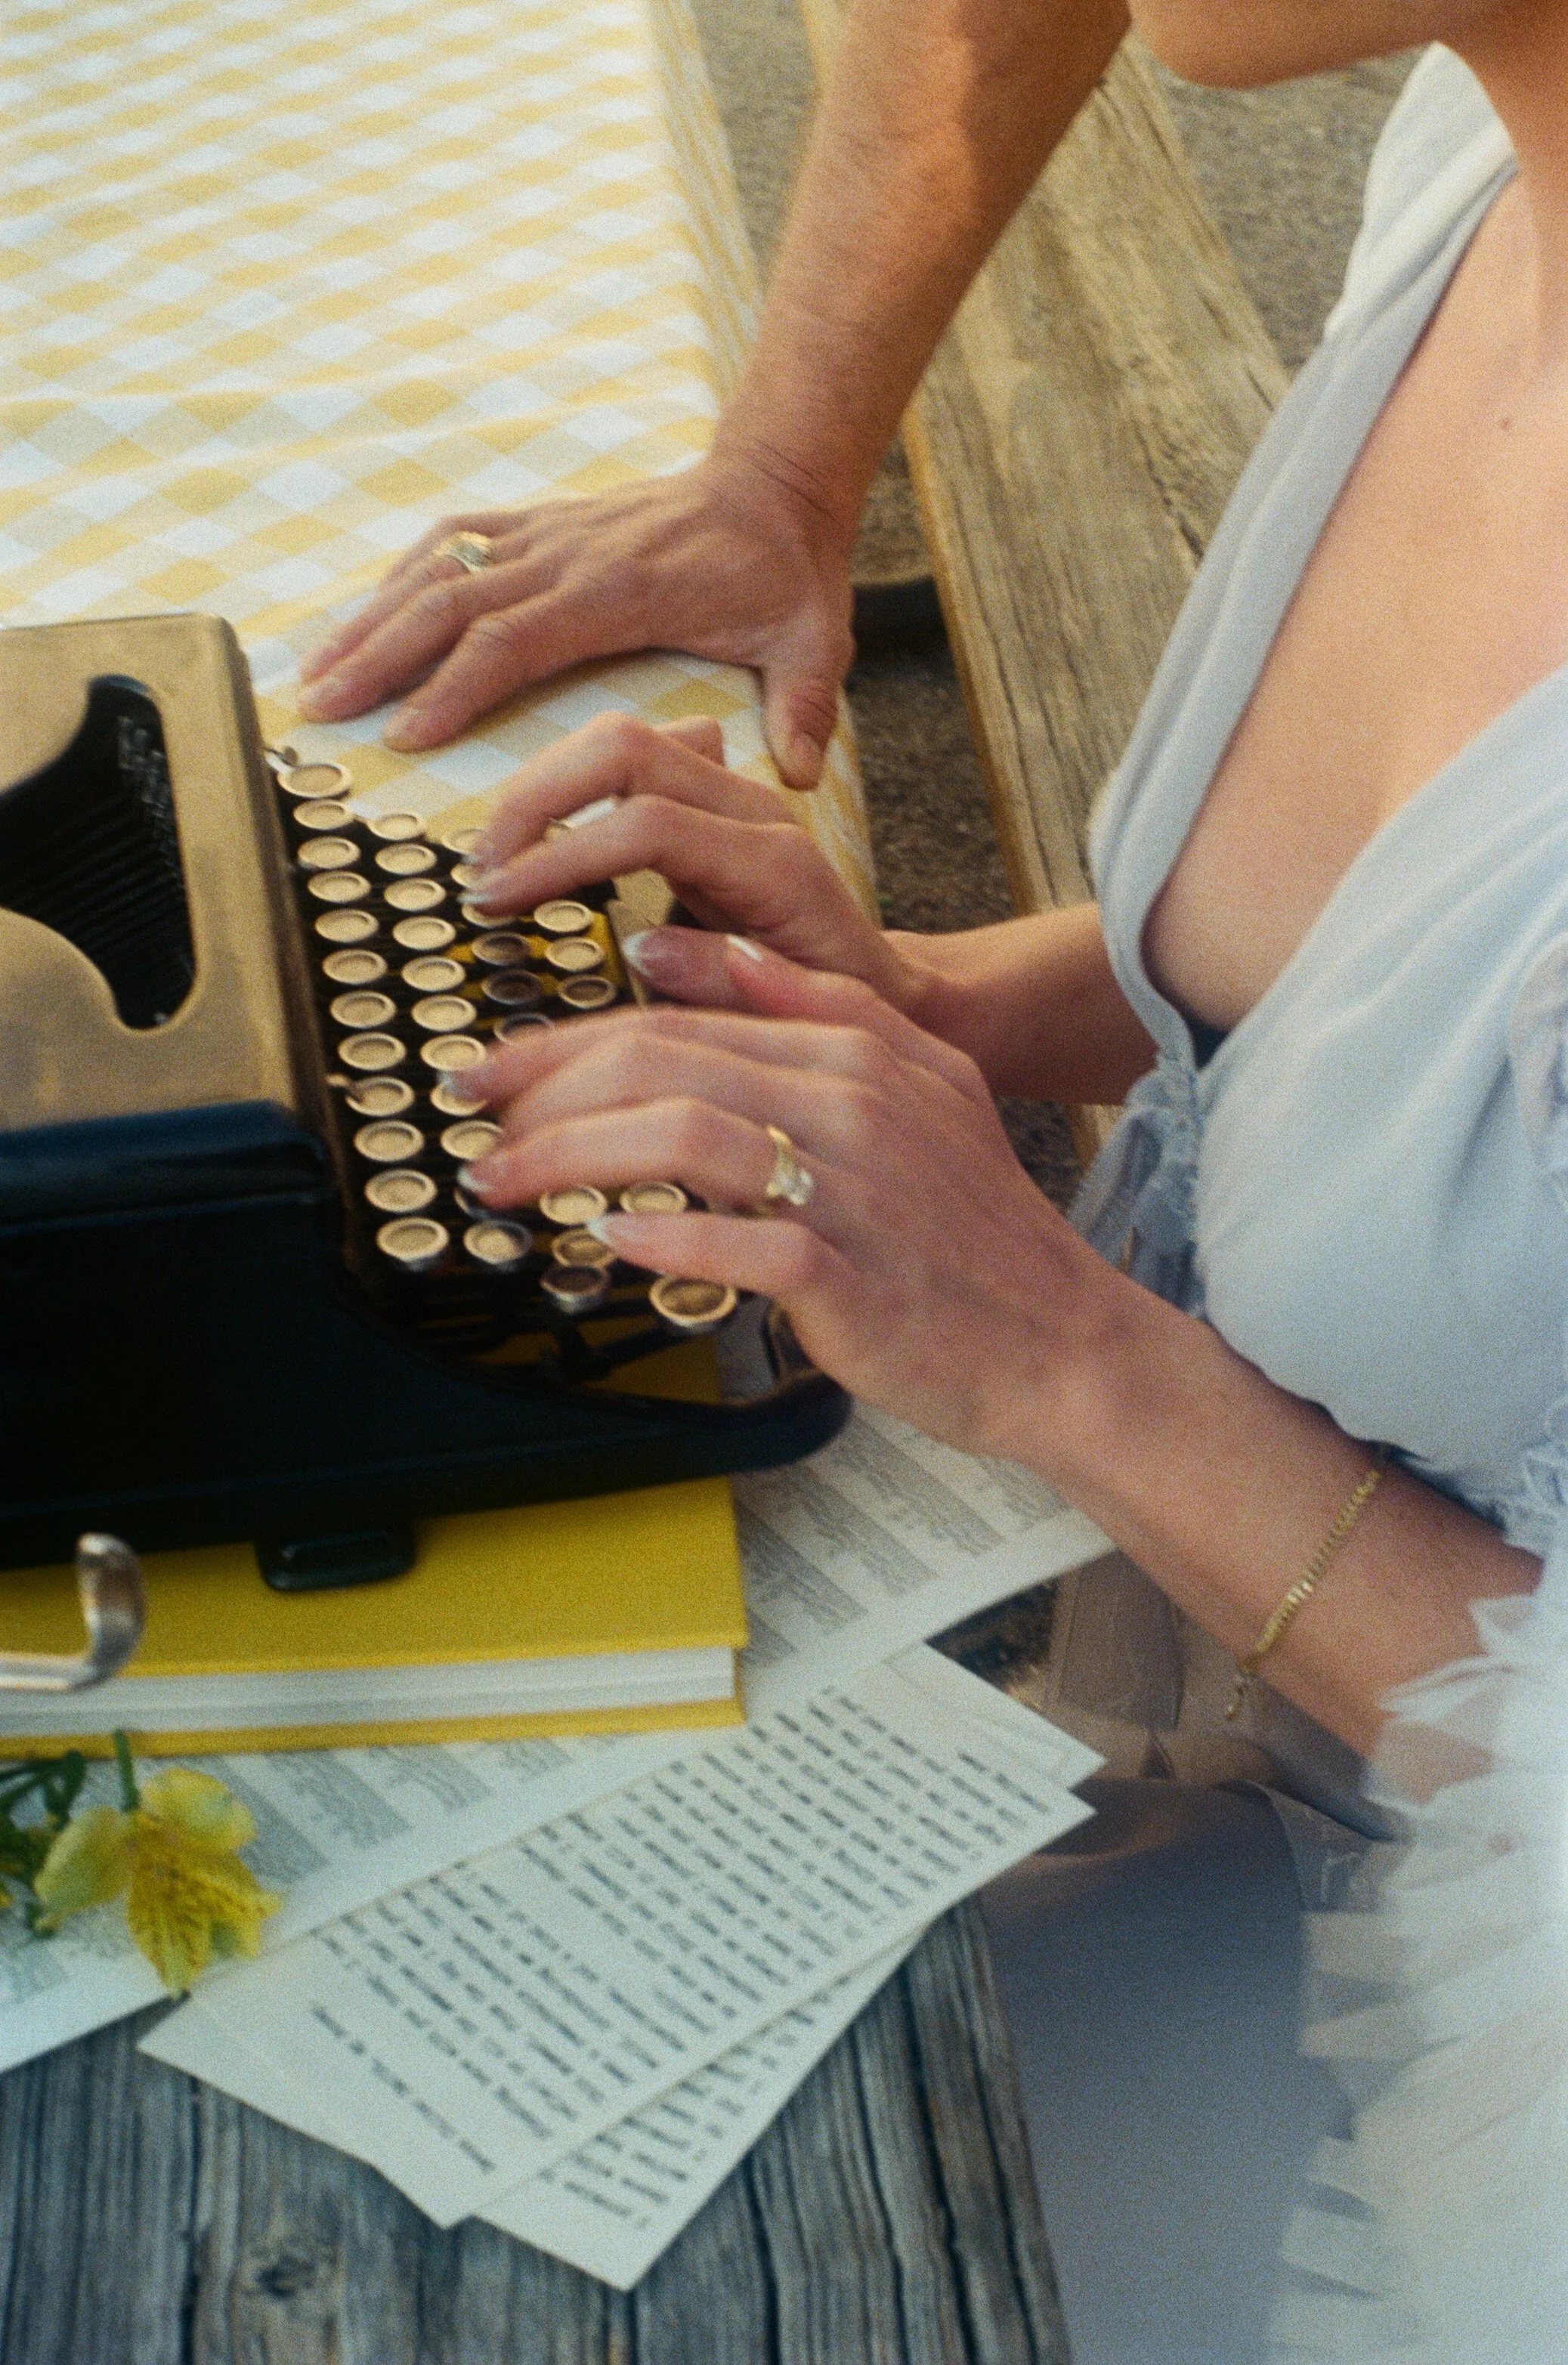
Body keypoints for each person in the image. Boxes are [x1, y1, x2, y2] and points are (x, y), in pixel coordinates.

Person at [298, 5, 1568, 2359]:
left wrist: (1067, 1357)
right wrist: (936, 1001)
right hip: (1164, 1694)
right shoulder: (1491, 151)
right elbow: (1416, 975)